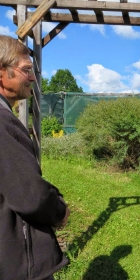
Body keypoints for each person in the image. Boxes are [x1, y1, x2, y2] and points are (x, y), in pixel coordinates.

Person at [0, 35, 70, 280]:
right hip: (16, 264)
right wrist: (59, 210)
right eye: (26, 70)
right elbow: (30, 194)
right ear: (2, 72)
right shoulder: (2, 120)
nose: (32, 77)